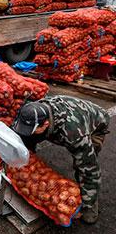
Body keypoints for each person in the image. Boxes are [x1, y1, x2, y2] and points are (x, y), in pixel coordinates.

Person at [12, 95, 110, 224]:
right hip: (66, 111)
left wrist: (87, 202)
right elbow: (24, 133)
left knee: (84, 165)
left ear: (45, 124)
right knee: (30, 137)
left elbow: (90, 170)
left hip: (95, 123)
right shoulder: (33, 111)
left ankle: (90, 203)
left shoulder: (74, 134)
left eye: (33, 129)